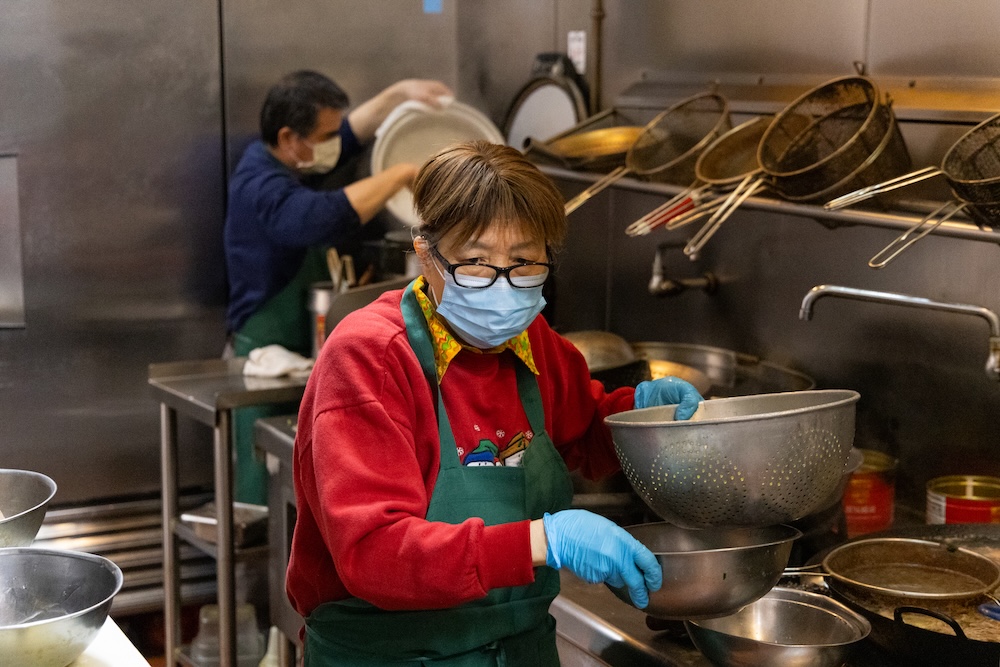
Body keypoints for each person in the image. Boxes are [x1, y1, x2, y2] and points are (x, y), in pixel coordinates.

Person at [287, 141, 703, 666]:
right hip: (392, 655)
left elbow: (585, 432)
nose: (503, 286)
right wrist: (543, 541)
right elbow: (373, 554)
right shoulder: (370, 357)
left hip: (521, 649)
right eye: (476, 261)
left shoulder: (532, 342)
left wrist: (641, 416)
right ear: (425, 253)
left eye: (525, 261)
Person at [223, 70, 452, 504]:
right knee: (261, 493)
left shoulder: (289, 157)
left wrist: (396, 93)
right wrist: (402, 172)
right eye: (324, 134)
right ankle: (257, 569)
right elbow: (316, 217)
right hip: (264, 352)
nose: (337, 142)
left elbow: (347, 135)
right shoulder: (262, 184)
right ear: (290, 137)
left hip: (305, 349)